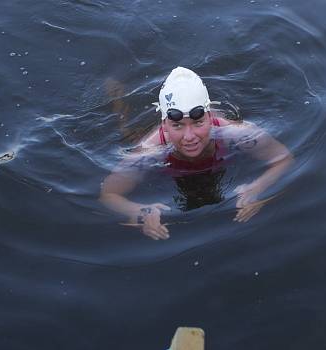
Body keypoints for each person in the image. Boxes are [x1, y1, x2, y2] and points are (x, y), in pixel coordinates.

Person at [100, 67, 294, 240]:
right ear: (165, 125)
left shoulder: (236, 133)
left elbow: (284, 159)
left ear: (210, 117)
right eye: (177, 125)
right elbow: (109, 195)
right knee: (127, 131)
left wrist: (258, 187)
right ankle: (117, 96)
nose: (189, 136)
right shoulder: (147, 152)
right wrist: (140, 210)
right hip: (159, 150)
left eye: (198, 122)